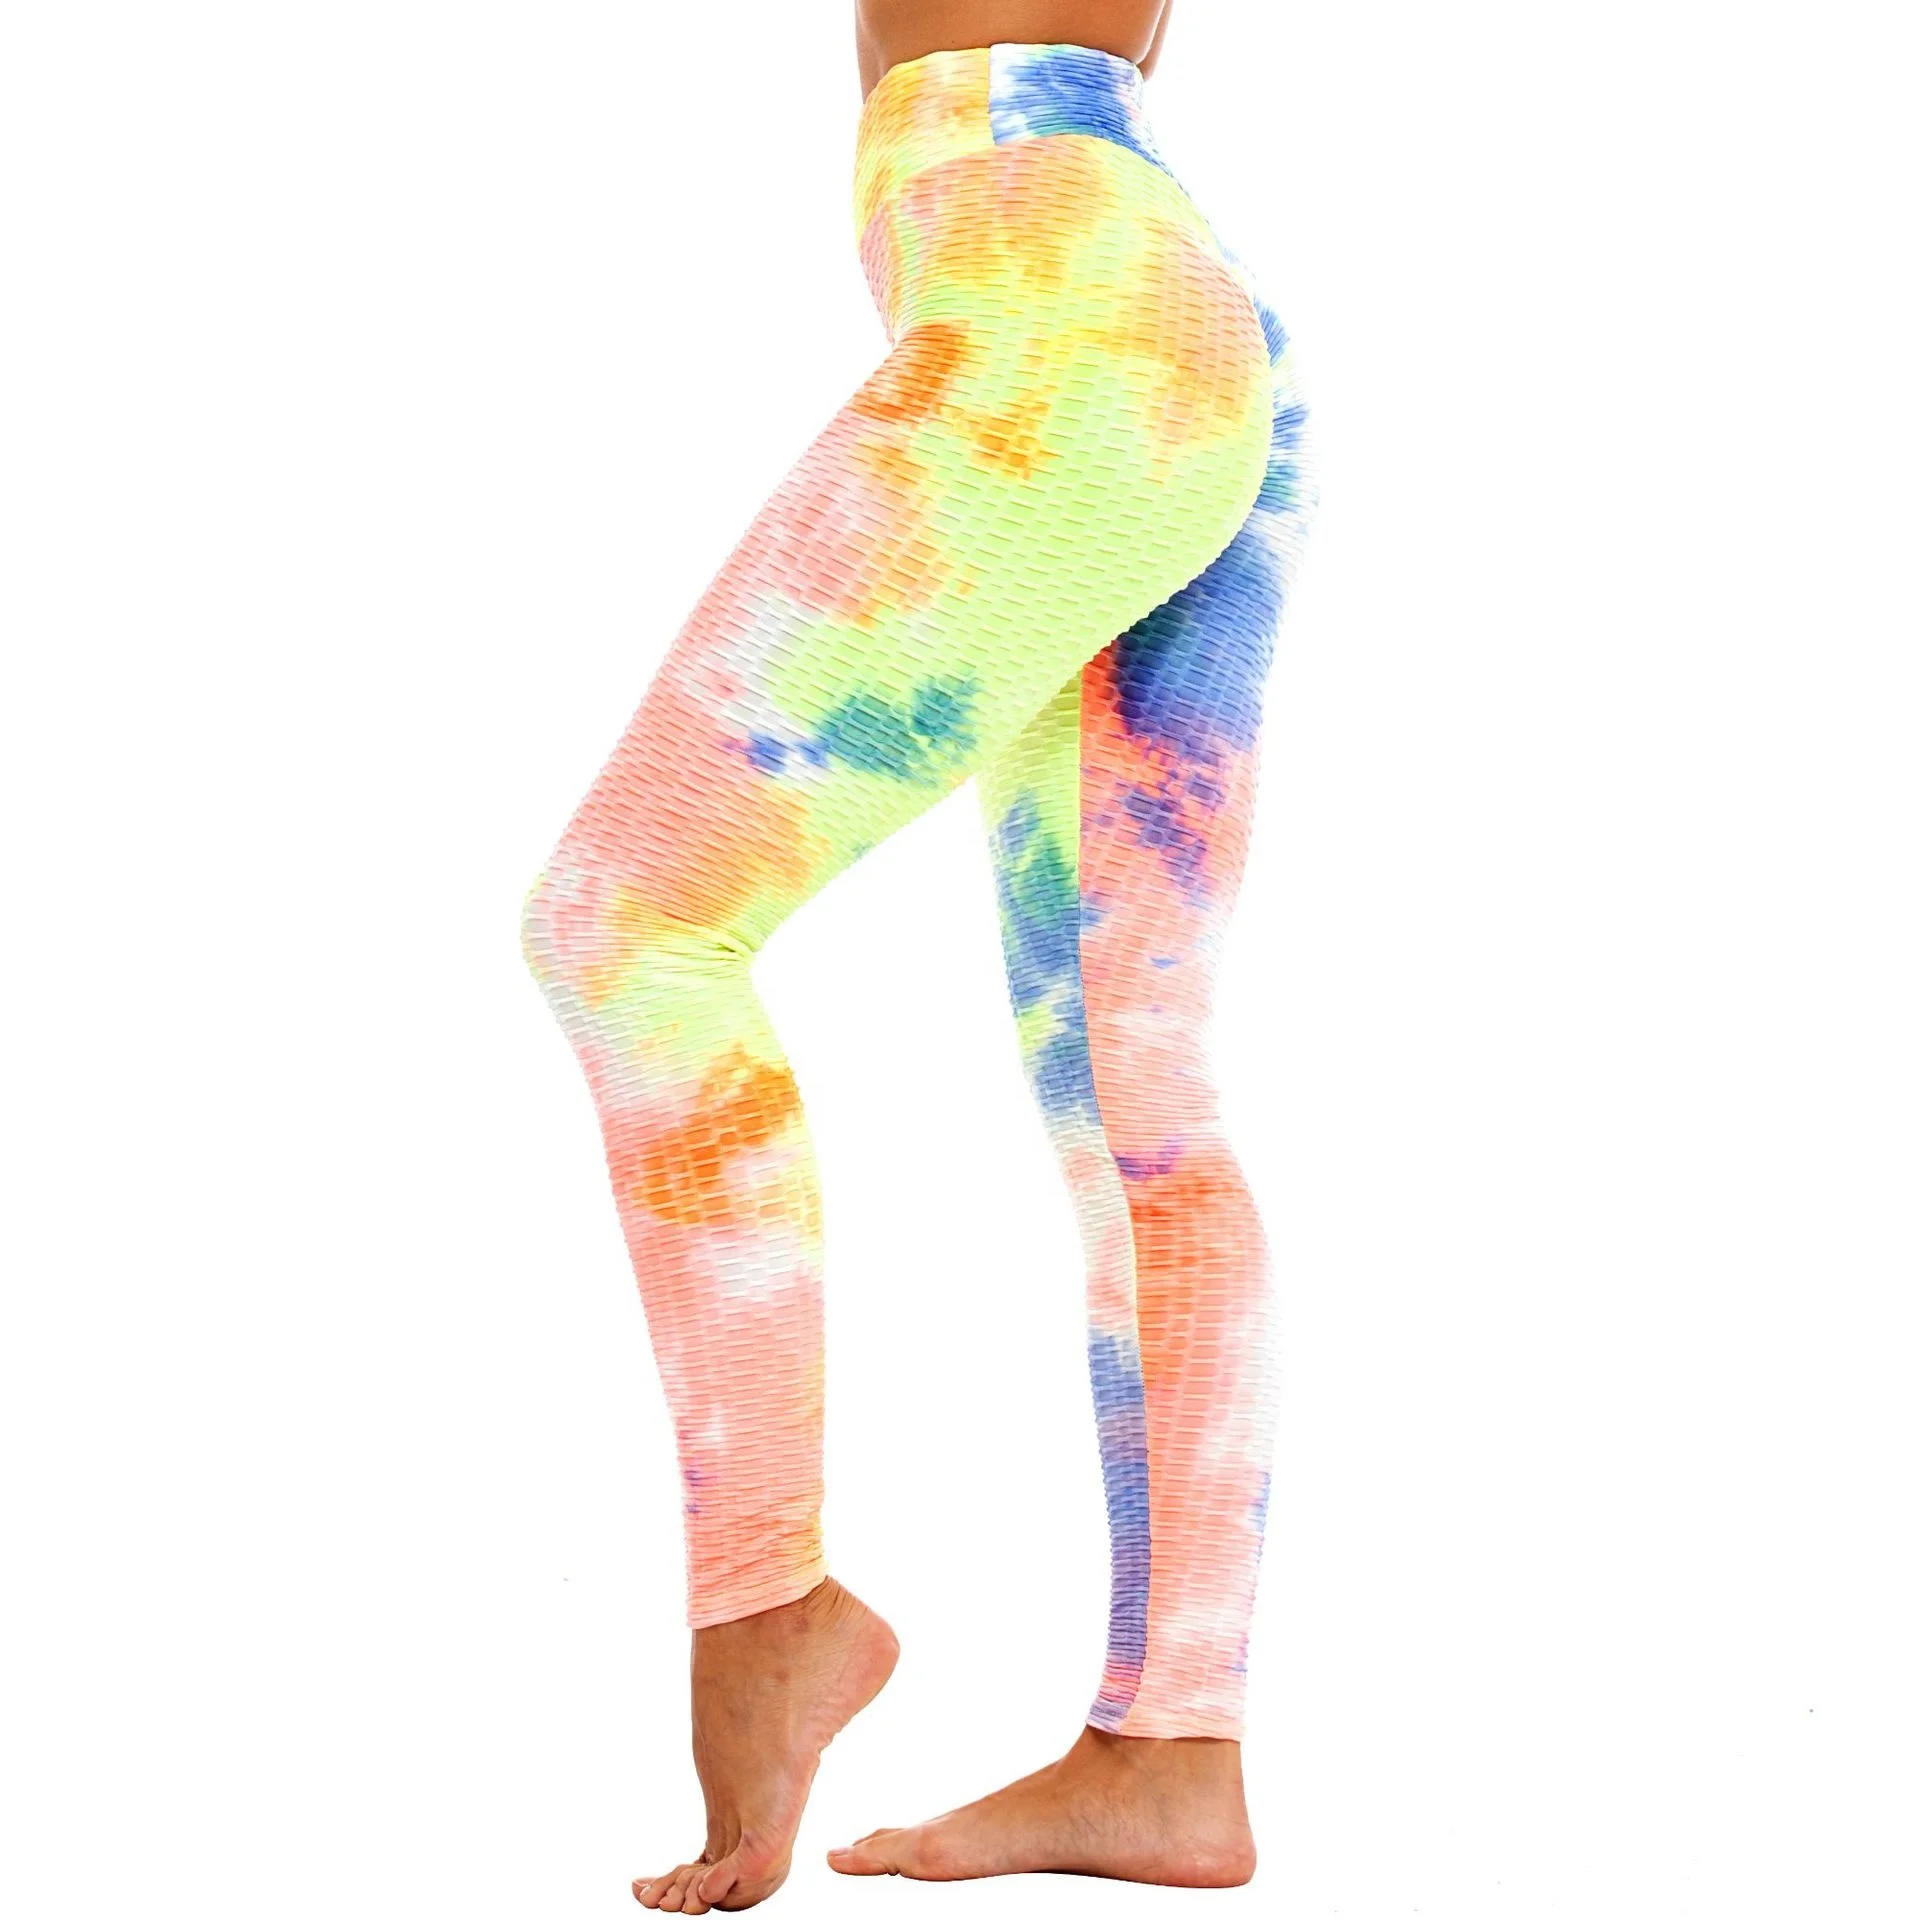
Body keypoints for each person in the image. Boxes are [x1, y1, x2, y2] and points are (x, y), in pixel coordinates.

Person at [520, 0, 1314, 1905]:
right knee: (1133, 1085)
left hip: (1065, 318)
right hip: (1140, 301)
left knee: (627, 928)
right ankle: (1170, 1750)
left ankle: (764, 1602)